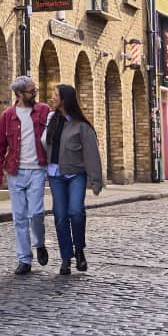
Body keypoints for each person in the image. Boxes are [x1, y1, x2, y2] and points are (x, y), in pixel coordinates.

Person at [0, 75, 52, 276]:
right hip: (15, 172)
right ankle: (24, 259)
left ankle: (40, 243)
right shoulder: (8, 115)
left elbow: (53, 138)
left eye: (35, 90)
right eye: (31, 91)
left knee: (36, 213)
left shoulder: (43, 110)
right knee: (19, 217)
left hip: (37, 169)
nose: (35, 94)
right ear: (18, 94)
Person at [45, 82, 105, 275]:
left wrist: (96, 181)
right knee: (60, 217)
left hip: (76, 174)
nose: (52, 97)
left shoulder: (81, 126)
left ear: (65, 99)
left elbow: (91, 154)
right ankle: (65, 258)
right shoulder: (51, 120)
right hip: (55, 175)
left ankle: (79, 249)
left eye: (55, 95)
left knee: (76, 212)